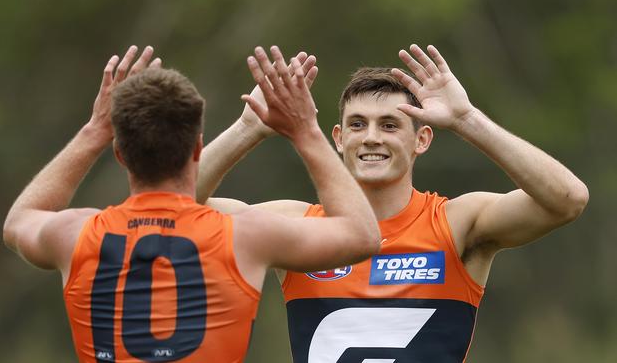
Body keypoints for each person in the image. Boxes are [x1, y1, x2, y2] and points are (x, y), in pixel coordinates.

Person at [197, 44, 589, 362]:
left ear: (421, 140)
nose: (371, 137)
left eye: (389, 125)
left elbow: (567, 199)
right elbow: (176, 210)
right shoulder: (301, 228)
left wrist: (467, 118)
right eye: (357, 124)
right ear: (337, 138)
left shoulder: (455, 223)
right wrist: (248, 129)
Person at [2, 45, 380, 362]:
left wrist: (94, 130)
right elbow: (363, 235)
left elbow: (20, 220)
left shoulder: (76, 233)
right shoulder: (245, 235)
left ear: (119, 154)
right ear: (197, 149)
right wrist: (305, 129)